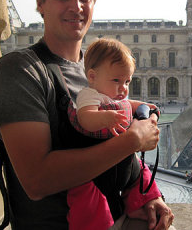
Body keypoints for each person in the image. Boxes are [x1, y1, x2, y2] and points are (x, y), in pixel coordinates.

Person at [0, 0, 174, 230]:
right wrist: (133, 140)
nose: (76, 6)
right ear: (40, 4)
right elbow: (38, 180)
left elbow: (113, 143)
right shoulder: (20, 70)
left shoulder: (97, 69)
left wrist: (146, 194)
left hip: (115, 217)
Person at [66, 37, 158, 228]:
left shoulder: (115, 95)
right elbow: (85, 118)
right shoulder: (90, 95)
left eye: (127, 81)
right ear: (92, 77)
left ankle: (133, 204)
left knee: (134, 180)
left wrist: (147, 107)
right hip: (94, 174)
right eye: (116, 80)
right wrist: (106, 117)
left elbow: (129, 104)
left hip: (120, 168)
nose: (123, 88)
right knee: (93, 210)